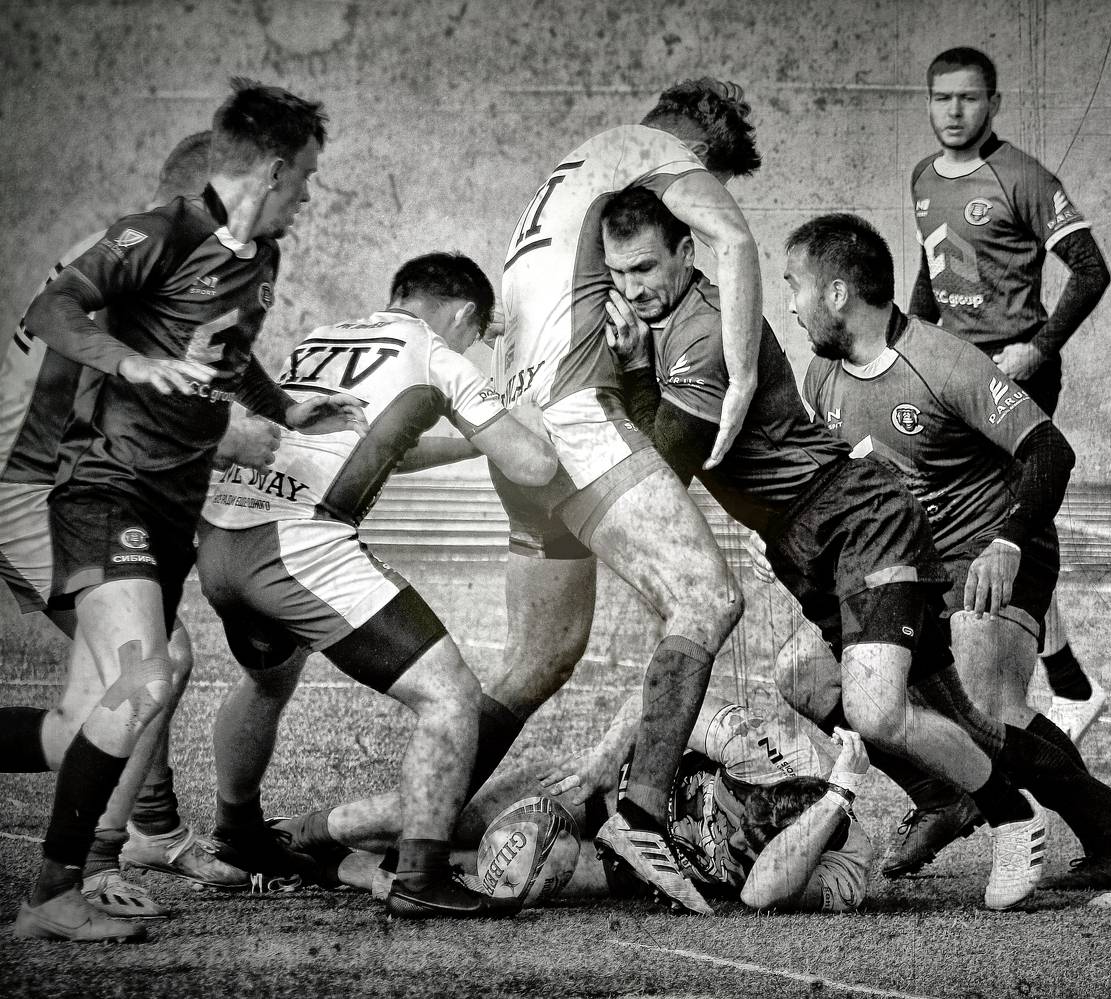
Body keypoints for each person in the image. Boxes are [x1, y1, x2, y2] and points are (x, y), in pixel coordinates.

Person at [599, 190, 1111, 911]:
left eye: (794, 286)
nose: (787, 305)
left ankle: (1067, 821)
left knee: (966, 708)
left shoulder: (941, 361)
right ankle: (978, 799)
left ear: (837, 294)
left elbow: (1050, 452)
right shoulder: (822, 372)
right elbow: (806, 467)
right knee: (811, 679)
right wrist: (777, 527)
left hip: (983, 546)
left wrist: (1007, 542)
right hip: (881, 549)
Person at [14, 79, 366, 944]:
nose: (310, 195)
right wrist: (129, 363)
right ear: (273, 171)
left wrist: (286, 411)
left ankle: (86, 866)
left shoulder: (261, 259)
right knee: (150, 671)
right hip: (105, 489)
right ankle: (63, 885)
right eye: (305, 177)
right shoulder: (159, 232)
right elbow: (50, 309)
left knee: (85, 721)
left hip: (167, 508)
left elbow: (226, 355)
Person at [475, 78, 765, 914]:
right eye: (706, 173)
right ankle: (639, 821)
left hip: (520, 433)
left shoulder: (566, 183)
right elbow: (735, 239)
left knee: (539, 658)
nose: (696, 193)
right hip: (574, 417)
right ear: (690, 144)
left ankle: (408, 826)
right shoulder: (646, 150)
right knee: (706, 596)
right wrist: (744, 375)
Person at [196, 252, 557, 919]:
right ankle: (420, 875)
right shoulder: (436, 353)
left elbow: (375, 445)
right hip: (295, 545)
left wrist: (469, 443)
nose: (471, 348)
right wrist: (525, 418)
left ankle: (239, 834)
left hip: (221, 538)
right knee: (451, 694)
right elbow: (532, 464)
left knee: (268, 680)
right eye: (475, 336)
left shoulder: (324, 338)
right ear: (465, 315)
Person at [0, 132, 263, 920]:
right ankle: (96, 858)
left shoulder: (121, 249)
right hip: (30, 491)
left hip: (42, 481)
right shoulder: (153, 259)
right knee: (156, 660)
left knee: (85, 716)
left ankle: (141, 829)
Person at [908, 46, 1111, 759]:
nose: (954, 111)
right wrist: (913, 344)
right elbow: (932, 267)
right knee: (977, 523)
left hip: (1013, 370)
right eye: (942, 98)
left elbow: (1090, 269)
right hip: (951, 372)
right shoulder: (924, 176)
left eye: (968, 98)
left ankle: (1050, 686)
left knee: (1006, 525)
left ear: (994, 103)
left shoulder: (1023, 176)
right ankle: (1067, 679)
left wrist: (1039, 349)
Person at [286, 695, 873, 914]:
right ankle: (293, 832)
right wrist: (600, 762)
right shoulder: (766, 747)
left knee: (498, 875)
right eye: (743, 809)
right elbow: (655, 700)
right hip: (609, 792)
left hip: (636, 869)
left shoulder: (846, 870)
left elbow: (759, 894)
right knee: (442, 820)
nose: (739, 831)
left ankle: (319, 867)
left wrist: (837, 799)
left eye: (755, 839)